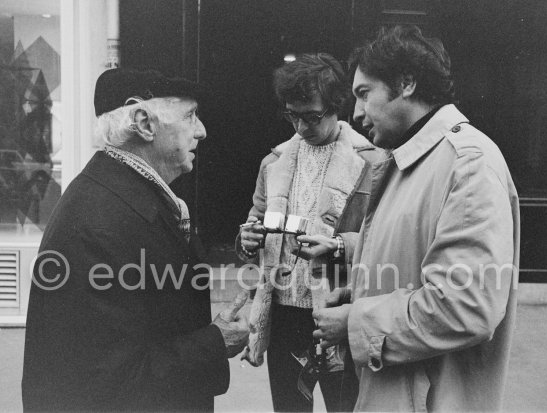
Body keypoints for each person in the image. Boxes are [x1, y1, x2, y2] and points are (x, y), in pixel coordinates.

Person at [312, 25, 520, 412]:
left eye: (363, 93)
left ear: (406, 83)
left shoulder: (466, 163)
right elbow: (415, 254)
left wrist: (356, 321)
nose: (355, 113)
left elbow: (467, 306)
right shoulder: (413, 157)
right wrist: (360, 290)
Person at [22, 68, 249, 412]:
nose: (201, 131)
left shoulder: (119, 198)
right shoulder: (99, 222)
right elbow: (107, 383)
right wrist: (214, 342)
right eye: (190, 116)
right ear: (144, 123)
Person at [238, 53, 381, 412]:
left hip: (339, 308)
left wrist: (337, 246)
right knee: (288, 407)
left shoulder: (372, 163)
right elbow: (253, 224)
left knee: (346, 406)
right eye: (292, 115)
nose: (300, 127)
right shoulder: (274, 162)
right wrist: (247, 239)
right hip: (284, 310)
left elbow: (384, 241)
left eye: (312, 116)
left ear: (337, 106)